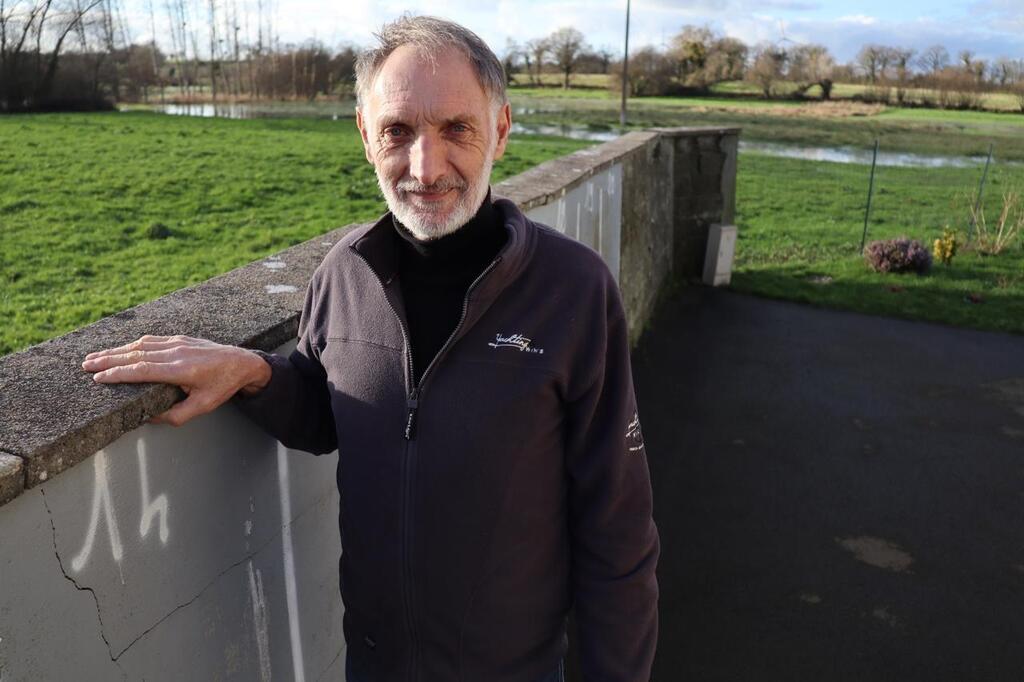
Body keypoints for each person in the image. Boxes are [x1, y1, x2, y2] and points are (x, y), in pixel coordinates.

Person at [82, 15, 659, 682]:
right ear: (364, 134)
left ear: (500, 130)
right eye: (399, 131)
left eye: (455, 129)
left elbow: (618, 536)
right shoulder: (343, 273)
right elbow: (334, 411)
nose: (425, 166)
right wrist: (252, 374)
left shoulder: (574, 292)